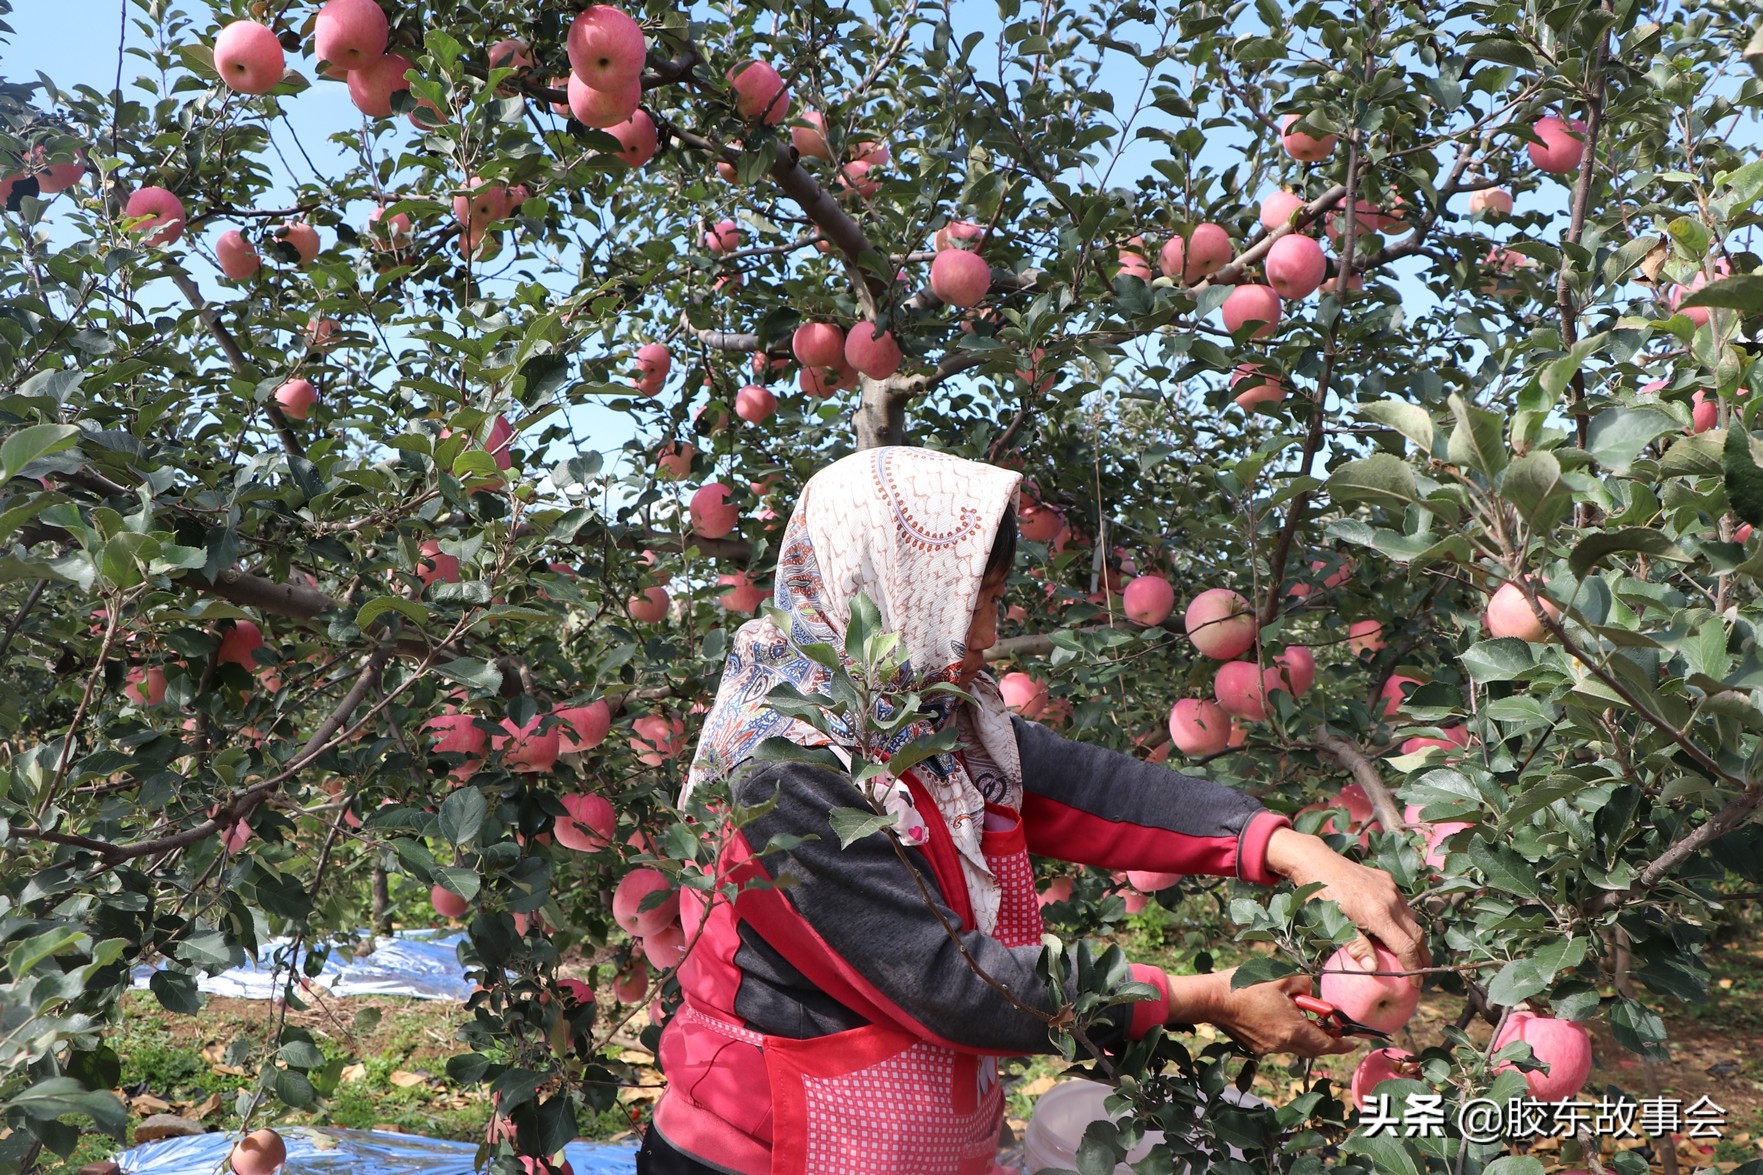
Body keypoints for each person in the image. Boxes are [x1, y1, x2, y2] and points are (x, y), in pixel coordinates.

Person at [638, 446, 1428, 1175]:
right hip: (757, 1153)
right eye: (967, 602)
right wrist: (1202, 997)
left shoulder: (933, 720)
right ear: (888, 585)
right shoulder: (784, 770)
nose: (986, 633)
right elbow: (953, 983)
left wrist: (1289, 849)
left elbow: (1099, 790)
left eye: (994, 601)